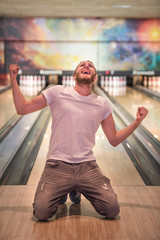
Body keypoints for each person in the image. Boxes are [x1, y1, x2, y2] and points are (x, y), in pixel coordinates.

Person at [9, 61, 148, 221]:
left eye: (90, 65)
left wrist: (137, 122)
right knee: (41, 212)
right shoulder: (57, 92)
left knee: (112, 210)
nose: (86, 66)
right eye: (82, 65)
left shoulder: (102, 103)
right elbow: (23, 108)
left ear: (94, 77)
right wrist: (13, 80)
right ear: (74, 75)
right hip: (57, 166)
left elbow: (114, 139)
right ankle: (63, 190)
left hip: (87, 167)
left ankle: (75, 189)